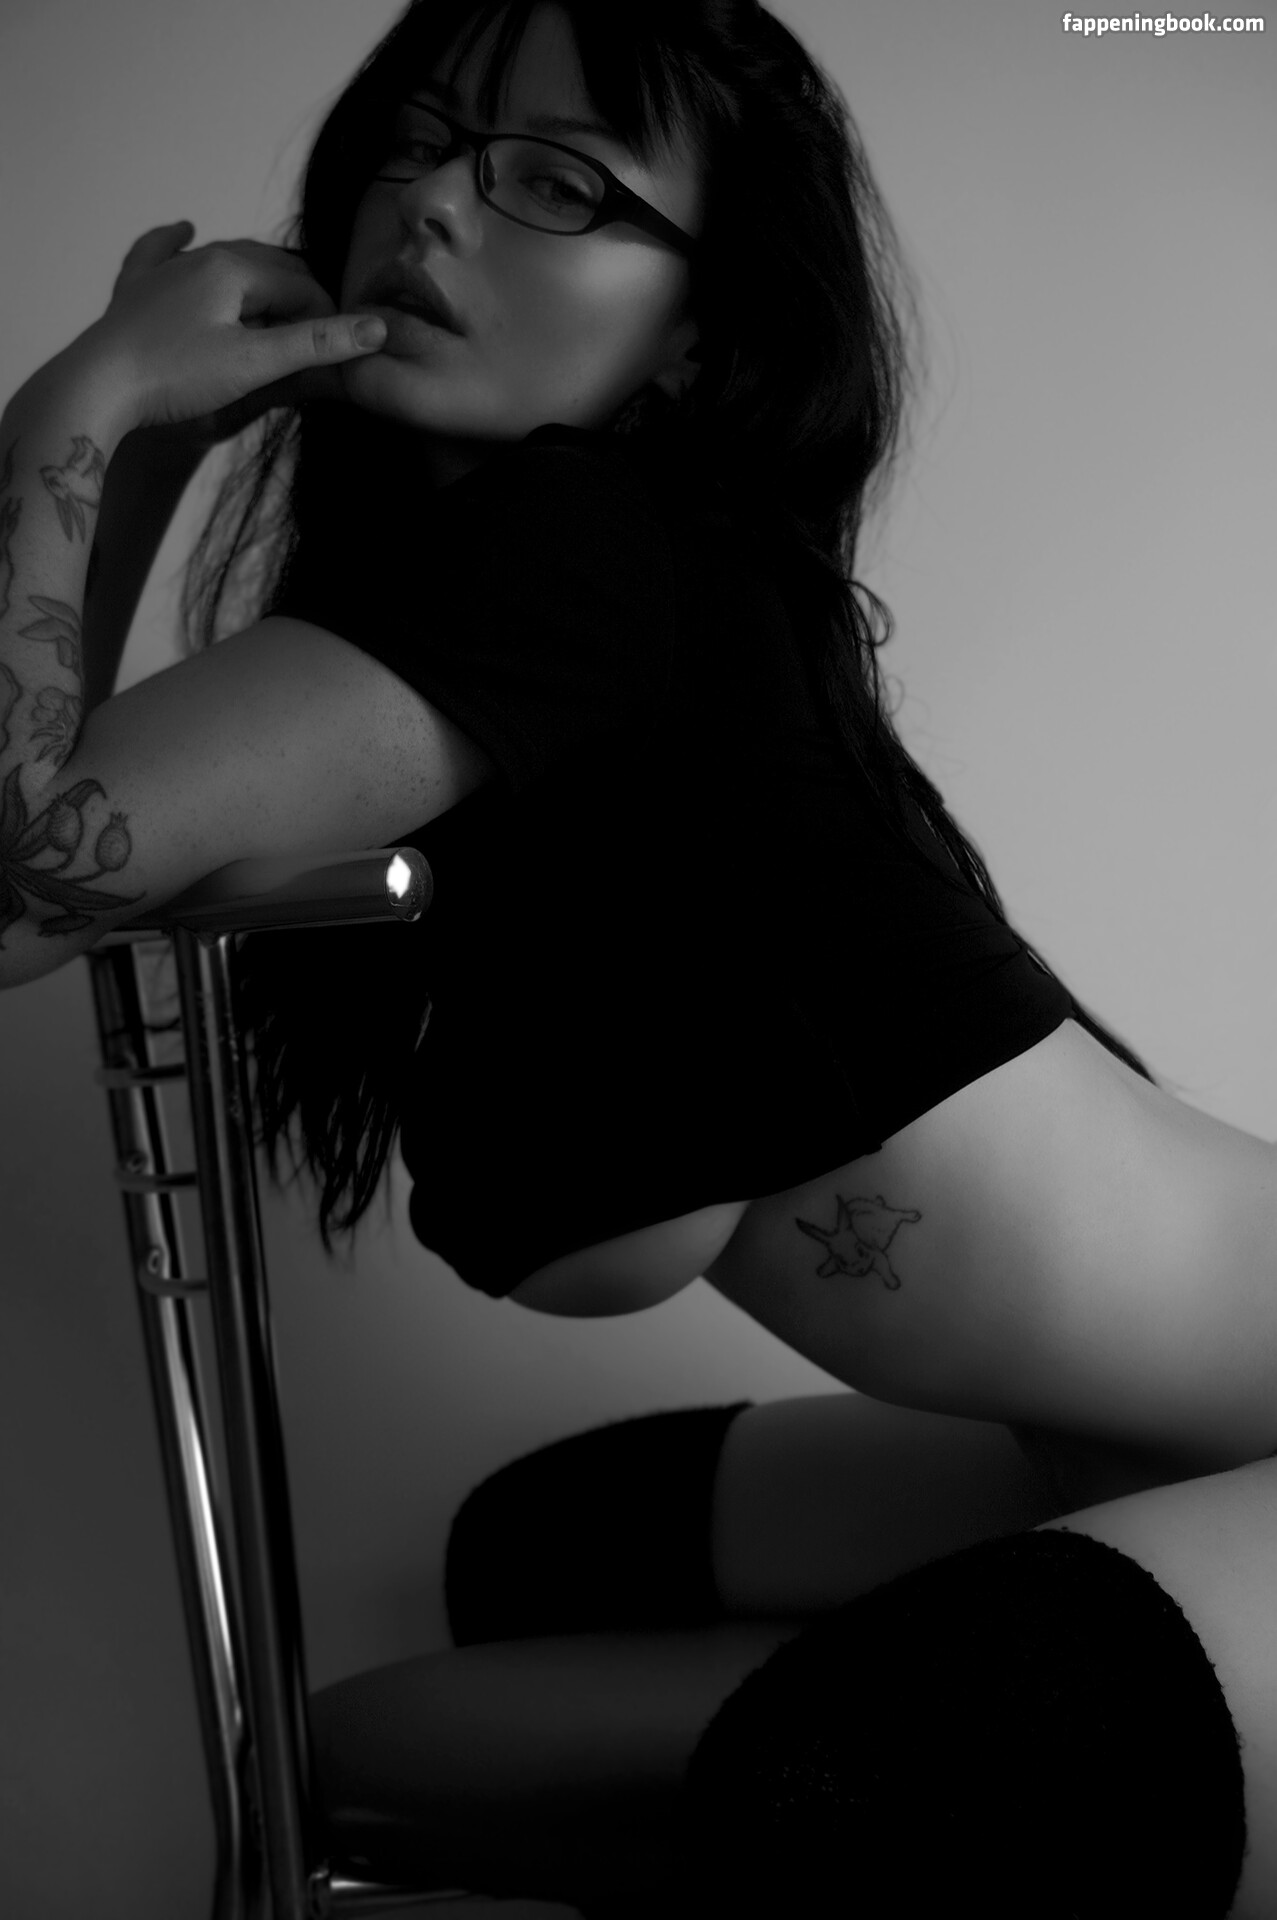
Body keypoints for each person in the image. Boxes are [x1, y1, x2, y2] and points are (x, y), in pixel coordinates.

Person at [0, 0, 1273, 1911]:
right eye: (417, 140)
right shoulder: (548, 620)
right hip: (1113, 1444)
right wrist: (163, 449)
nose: (433, 205)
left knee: (843, 1777)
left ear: (695, 334)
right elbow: (54, 848)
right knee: (496, 1601)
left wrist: (83, 401)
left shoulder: (578, 551)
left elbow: (19, 869)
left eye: (556, 183)